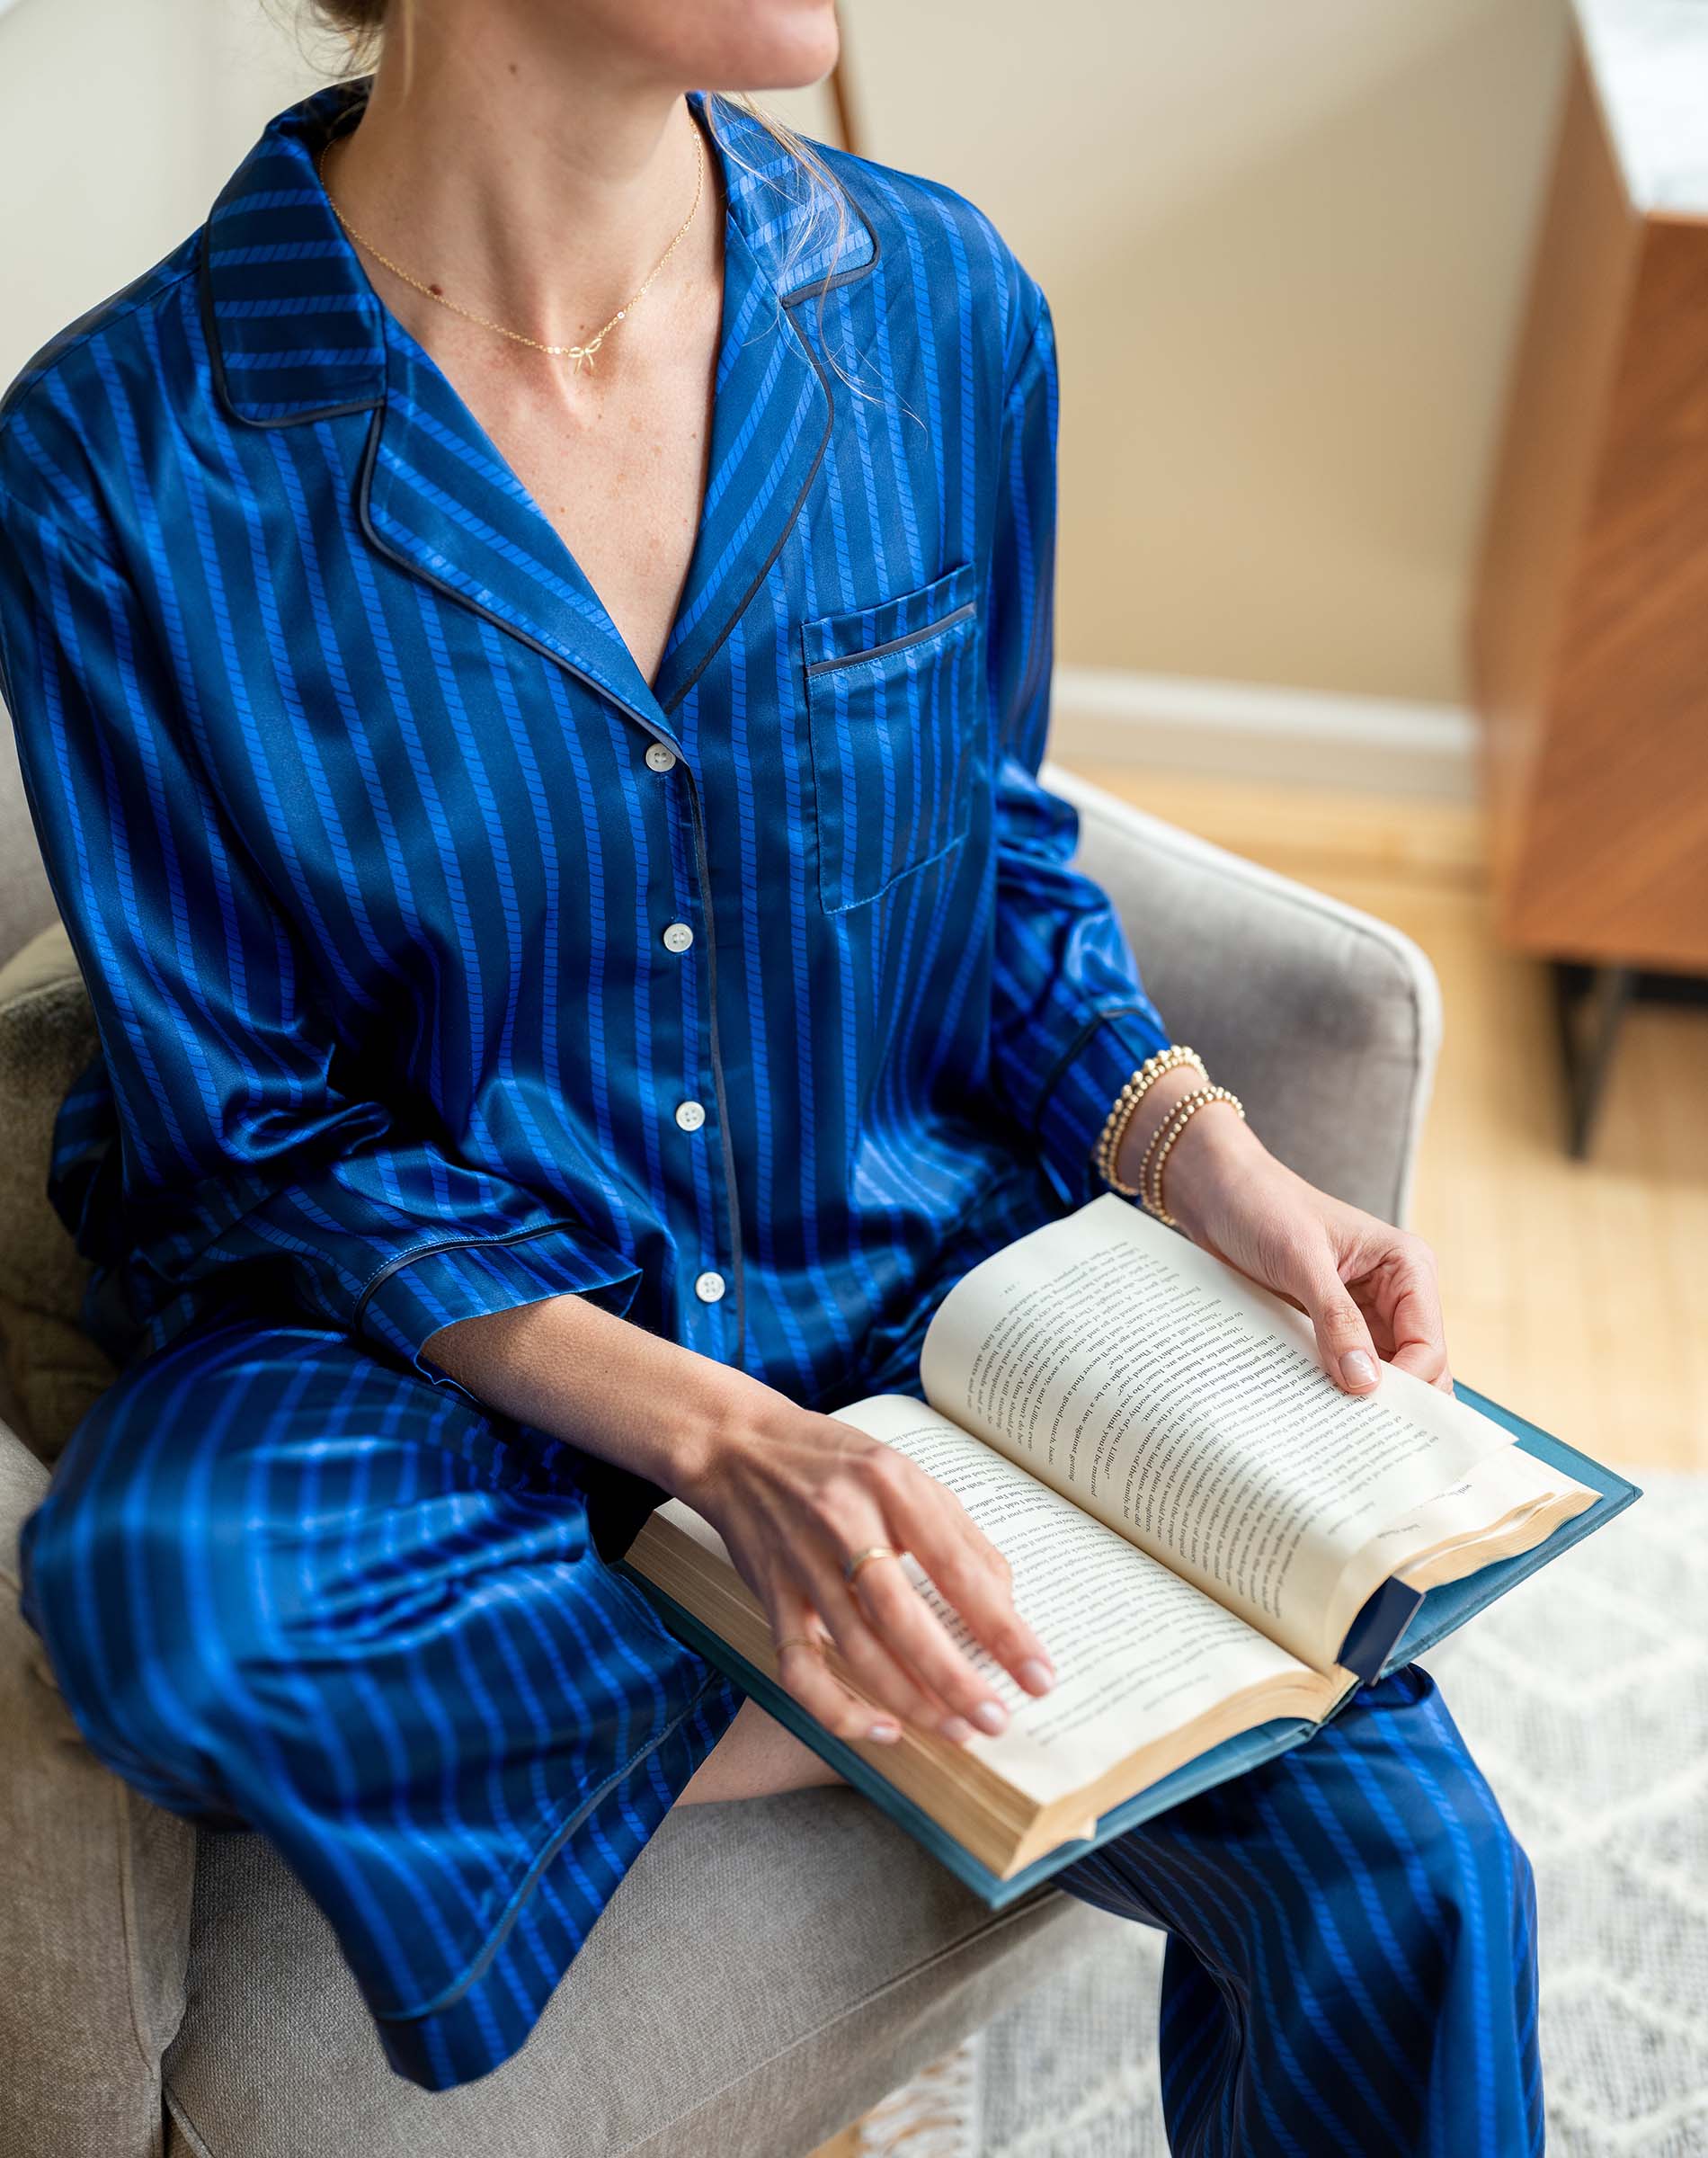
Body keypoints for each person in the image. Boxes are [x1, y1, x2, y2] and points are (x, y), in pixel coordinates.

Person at [0, 2, 1542, 2148]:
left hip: (933, 1309)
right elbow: (252, 1131)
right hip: (473, 1388)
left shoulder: (935, 308)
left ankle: (926, 1637)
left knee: (1420, 1868)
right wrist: (729, 1455)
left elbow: (996, 878)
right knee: (169, 1598)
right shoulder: (118, 453)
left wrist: (1210, 1160)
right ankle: (951, 1667)